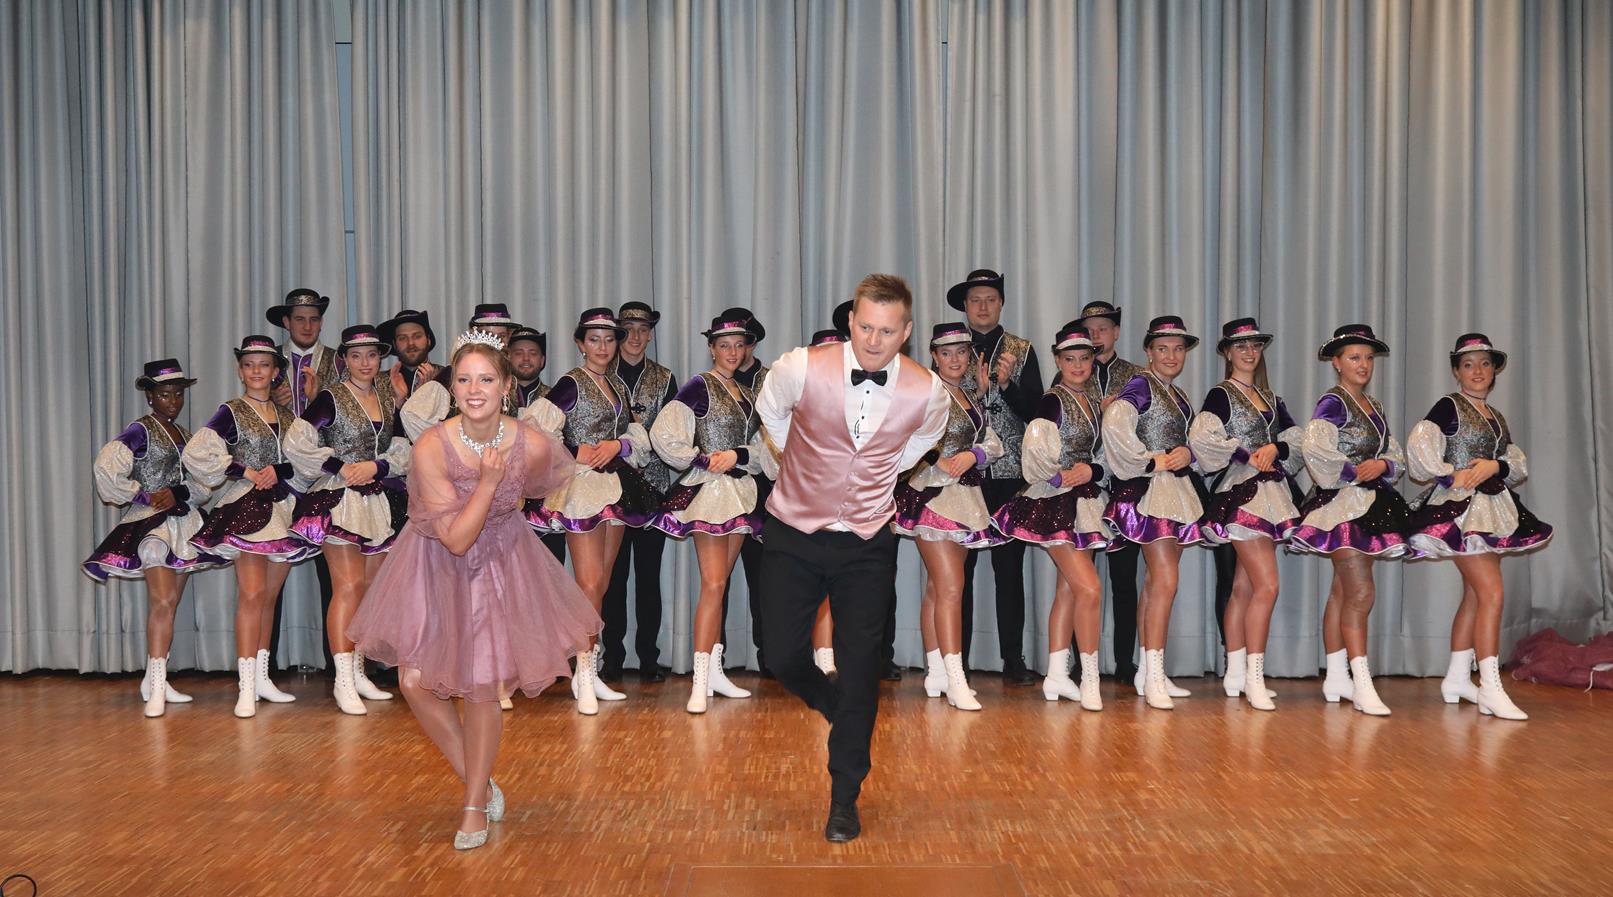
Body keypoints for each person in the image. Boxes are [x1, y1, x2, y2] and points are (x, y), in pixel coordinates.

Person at [349, 332, 601, 850]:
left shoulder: (532, 443)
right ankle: (480, 781)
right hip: (436, 560)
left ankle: (472, 805)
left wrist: (507, 499)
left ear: (506, 385)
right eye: (464, 380)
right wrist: (487, 484)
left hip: (501, 563)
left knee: (483, 684)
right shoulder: (431, 446)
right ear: (452, 388)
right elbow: (457, 540)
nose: (474, 389)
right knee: (415, 681)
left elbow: (549, 479)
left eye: (486, 379)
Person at [755, 273, 950, 843]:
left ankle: (845, 797)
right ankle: (828, 698)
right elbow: (771, 415)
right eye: (865, 327)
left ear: (906, 332)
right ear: (850, 322)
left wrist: (878, 470)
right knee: (780, 653)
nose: (873, 340)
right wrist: (802, 461)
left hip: (867, 541)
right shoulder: (799, 367)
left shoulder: (928, 391)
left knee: (862, 667)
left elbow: (918, 445)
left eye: (887, 331)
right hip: (793, 530)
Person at [1406, 333, 1553, 720]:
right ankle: (1490, 686)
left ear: (1494, 371)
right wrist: (1449, 475)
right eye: (1468, 365)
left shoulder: (1496, 417)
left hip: (1491, 508)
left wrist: (1495, 466)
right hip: (1461, 510)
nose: (1477, 371)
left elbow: (1514, 464)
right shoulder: (1449, 406)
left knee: (1475, 595)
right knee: (1492, 593)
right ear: (1456, 371)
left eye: (1485, 364)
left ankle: (1457, 678)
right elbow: (1420, 447)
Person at [522, 308, 659, 713]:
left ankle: (590, 669)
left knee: (601, 583)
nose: (603, 347)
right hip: (581, 489)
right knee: (589, 582)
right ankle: (582, 672)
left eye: (609, 339)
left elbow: (636, 434)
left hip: (613, 488)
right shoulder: (571, 383)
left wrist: (619, 445)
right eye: (594, 339)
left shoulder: (614, 385)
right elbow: (533, 431)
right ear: (580, 344)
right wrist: (573, 450)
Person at [649, 314, 776, 711]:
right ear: (711, 348)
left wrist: (738, 455)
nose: (732, 352)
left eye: (738, 345)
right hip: (710, 495)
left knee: (720, 585)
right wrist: (701, 460)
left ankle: (715, 673)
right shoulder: (699, 385)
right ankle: (699, 680)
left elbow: (764, 448)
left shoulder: (747, 394)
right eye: (724, 346)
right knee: (713, 583)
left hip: (738, 494)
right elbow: (663, 433)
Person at [285, 324, 412, 714]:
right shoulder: (330, 397)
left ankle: (357, 671)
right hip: (338, 499)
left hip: (374, 500)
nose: (365, 363)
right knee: (348, 586)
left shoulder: (387, 397)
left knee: (370, 588)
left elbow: (402, 446)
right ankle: (342, 680)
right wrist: (341, 467)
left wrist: (377, 466)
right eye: (356, 356)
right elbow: (296, 442)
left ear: (380, 358)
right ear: (344, 360)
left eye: (371, 355)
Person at [84, 359, 221, 717]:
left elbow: (203, 484)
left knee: (171, 603)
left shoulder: (186, 435)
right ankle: (158, 685)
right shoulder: (140, 431)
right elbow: (106, 467)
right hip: (151, 527)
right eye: (164, 395)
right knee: (162, 601)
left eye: (177, 395)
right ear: (150, 396)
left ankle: (153, 679)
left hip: (184, 524)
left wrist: (179, 493)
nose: (173, 401)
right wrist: (144, 495)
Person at [183, 336, 311, 717]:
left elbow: (305, 461)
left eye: (264, 364)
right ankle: (244, 686)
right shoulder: (231, 411)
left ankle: (262, 678)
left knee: (269, 596)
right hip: (245, 508)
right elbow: (198, 452)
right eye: (249, 364)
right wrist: (245, 471)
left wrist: (278, 471)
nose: (256, 371)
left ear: (275, 372)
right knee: (252, 595)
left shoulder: (288, 418)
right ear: (240, 371)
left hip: (282, 509)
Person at [1290, 324, 1412, 716]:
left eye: (1368, 358)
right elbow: (1316, 448)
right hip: (1342, 506)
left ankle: (1336, 676)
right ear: (1337, 363)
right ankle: (1361, 682)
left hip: (1371, 504)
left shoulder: (1373, 406)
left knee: (1342, 592)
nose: (1363, 365)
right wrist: (1354, 471)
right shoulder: (1333, 403)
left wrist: (1384, 465)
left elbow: (1393, 451)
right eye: (1355, 357)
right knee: (1361, 593)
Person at [991, 323, 1113, 710]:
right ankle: (1090, 678)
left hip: (1086, 503)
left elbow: (1106, 455)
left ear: (1092, 362)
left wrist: (1091, 471)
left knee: (1069, 589)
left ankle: (1057, 675)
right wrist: (1061, 476)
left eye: (1084, 358)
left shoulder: (1092, 401)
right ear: (1058, 361)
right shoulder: (1052, 402)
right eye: (1069, 359)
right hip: (1055, 503)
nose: (1077, 365)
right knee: (1090, 589)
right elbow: (1035, 454)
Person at [1187, 319, 1303, 711]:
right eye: (1241, 346)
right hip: (1242, 493)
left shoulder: (1270, 398)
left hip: (1271, 493)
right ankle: (1254, 676)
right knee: (1267, 586)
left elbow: (1295, 438)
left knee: (1244, 587)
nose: (1249, 353)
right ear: (1227, 352)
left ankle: (1236, 673)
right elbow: (1203, 438)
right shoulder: (1222, 394)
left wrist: (1275, 449)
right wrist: (1246, 453)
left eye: (1254, 346)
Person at [891, 322, 1004, 710]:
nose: (954, 359)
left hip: (965, 498)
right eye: (946, 353)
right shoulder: (925, 392)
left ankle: (937, 671)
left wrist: (974, 455)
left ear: (969, 357)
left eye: (961, 352)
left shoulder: (970, 395)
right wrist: (937, 459)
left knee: (938, 590)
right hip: (932, 497)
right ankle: (956, 678)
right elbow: (900, 435)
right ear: (934, 357)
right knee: (952, 587)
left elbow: (992, 442)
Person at [1101, 315, 1206, 710]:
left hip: (1174, 492)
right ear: (1149, 352)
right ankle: (1154, 673)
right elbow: (1115, 424)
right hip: (1150, 493)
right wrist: (1150, 461)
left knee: (1154, 584)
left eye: (1178, 349)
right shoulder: (1140, 385)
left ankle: (1148, 670)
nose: (1171, 356)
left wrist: (1188, 453)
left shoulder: (1177, 394)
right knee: (1164, 581)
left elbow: (1189, 440)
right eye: (1163, 349)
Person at [949, 269, 1043, 684]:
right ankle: (958, 660)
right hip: (963, 475)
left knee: (1009, 570)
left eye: (990, 299)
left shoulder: (1022, 349)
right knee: (959, 571)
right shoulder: (951, 349)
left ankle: (1013, 659)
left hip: (1009, 475)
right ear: (965, 306)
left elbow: (1038, 412)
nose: (983, 306)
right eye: (975, 300)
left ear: (1001, 303)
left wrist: (1006, 386)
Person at [603, 301, 677, 682]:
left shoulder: (665, 378)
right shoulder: (600, 375)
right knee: (611, 578)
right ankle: (612, 657)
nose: (635, 336)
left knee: (649, 578)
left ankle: (649, 656)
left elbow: (675, 432)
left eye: (643, 329)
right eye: (628, 329)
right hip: (610, 491)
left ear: (650, 334)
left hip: (653, 489)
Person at [1075, 301, 1145, 683]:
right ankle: (1078, 661)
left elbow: (1147, 427)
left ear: (1116, 332)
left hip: (1123, 487)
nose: (1096, 335)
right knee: (1079, 579)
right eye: (1090, 329)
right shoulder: (1072, 375)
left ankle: (1123, 660)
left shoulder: (1136, 376)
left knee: (1123, 579)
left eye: (1103, 328)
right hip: (1083, 487)